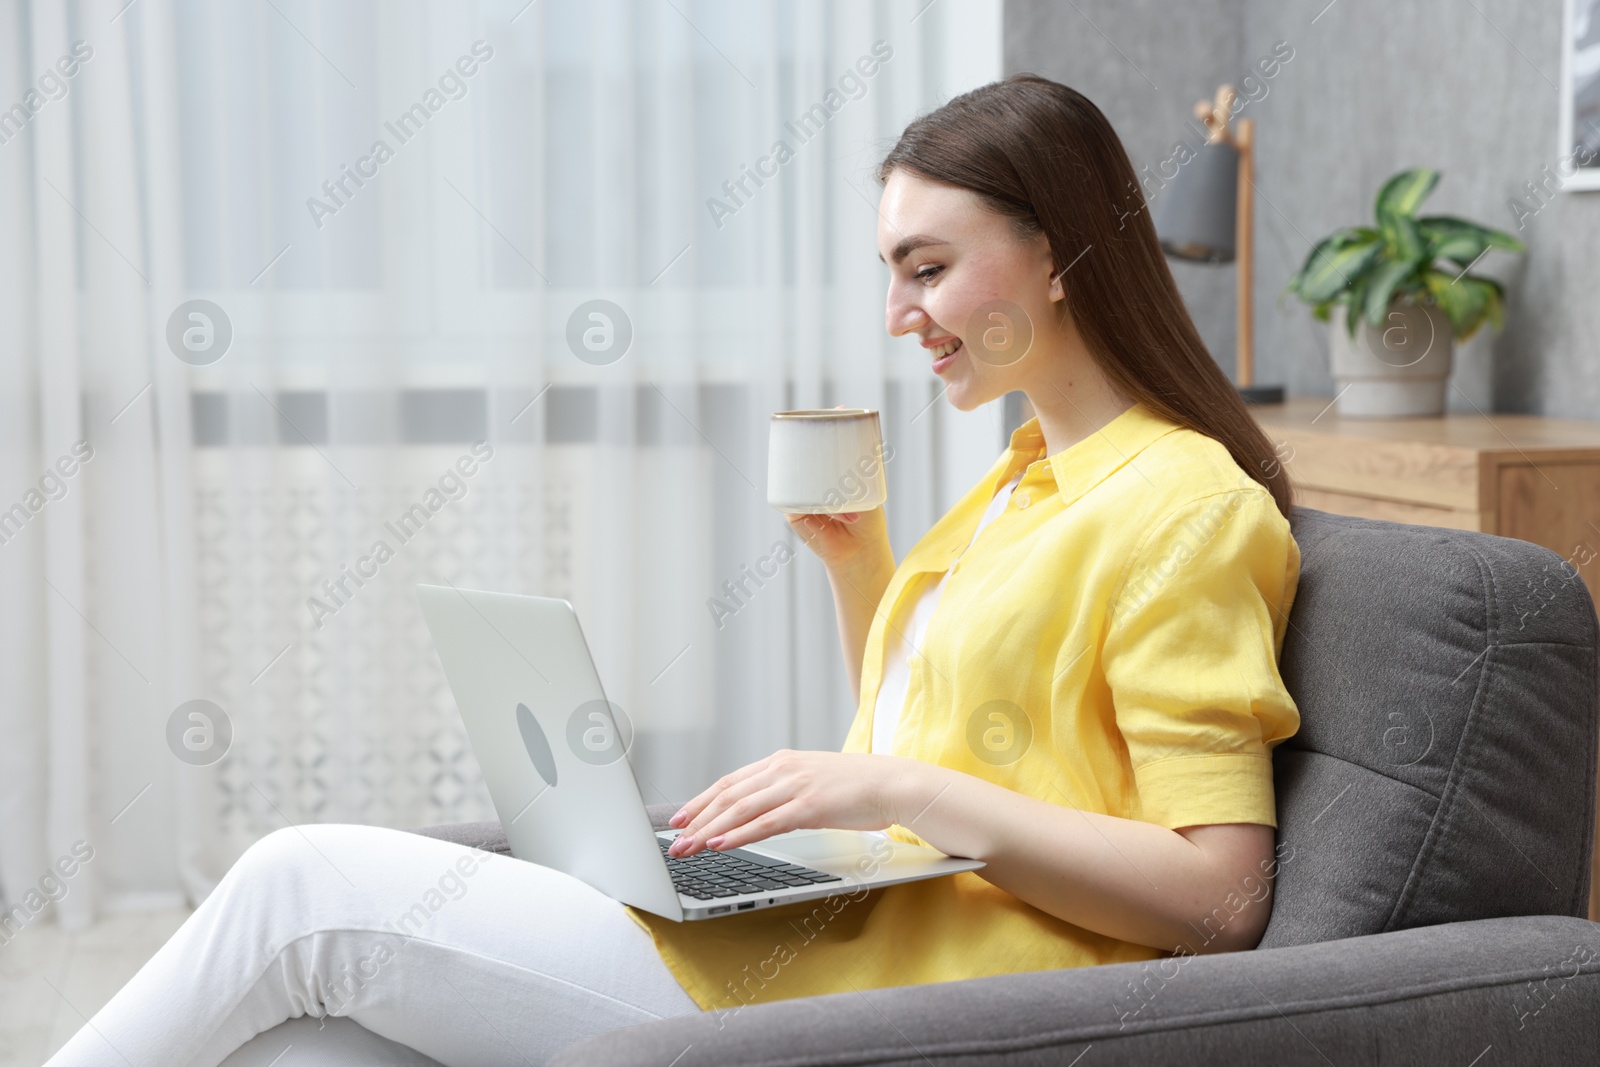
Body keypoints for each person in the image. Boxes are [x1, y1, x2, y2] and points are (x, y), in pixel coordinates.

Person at [45, 73, 1299, 1067]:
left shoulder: (1183, 506)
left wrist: (894, 782)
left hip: (916, 999)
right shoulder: (1021, 476)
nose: (896, 313)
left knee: (296, 883)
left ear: (1062, 254)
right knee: (313, 1042)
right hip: (830, 940)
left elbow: (1221, 895)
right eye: (892, 272)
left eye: (929, 267)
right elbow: (940, 737)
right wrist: (860, 569)